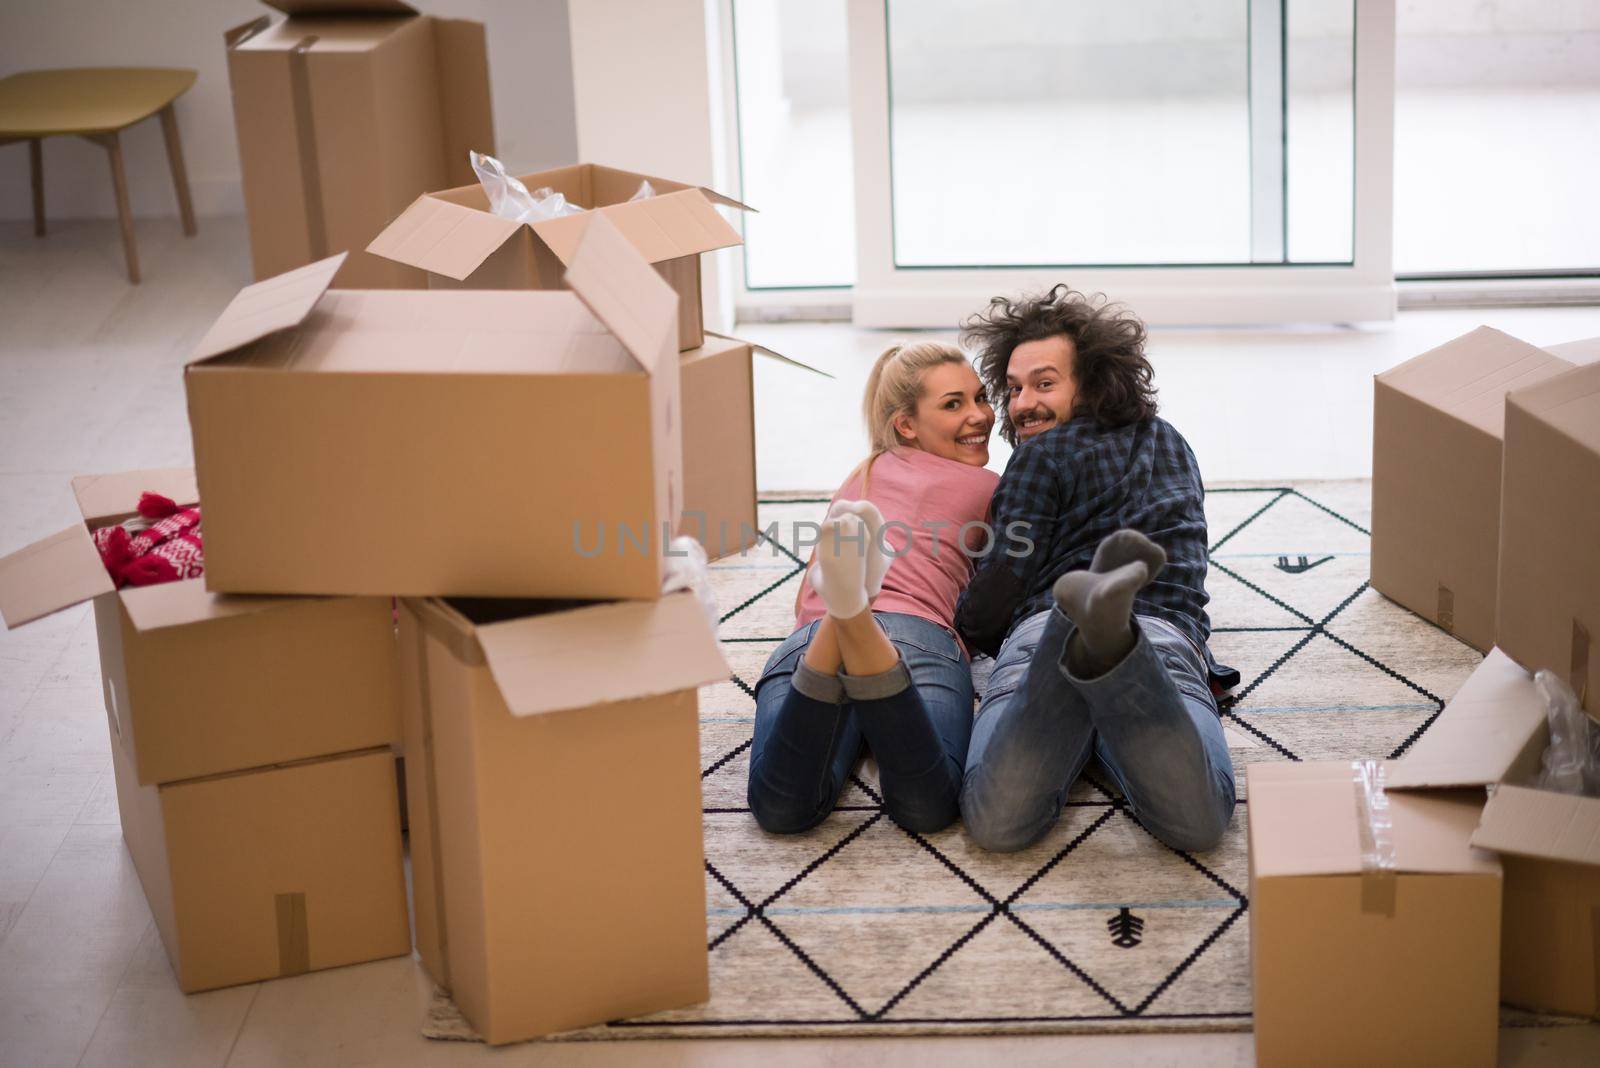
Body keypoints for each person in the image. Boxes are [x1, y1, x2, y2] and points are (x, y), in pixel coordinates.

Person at [954, 285, 1237, 853]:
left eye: (1044, 384)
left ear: (1093, 381)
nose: (1021, 404)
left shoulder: (1039, 457)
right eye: (1012, 388)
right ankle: (1111, 641)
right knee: (1201, 823)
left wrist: (964, 626)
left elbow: (1002, 586)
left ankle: (1075, 622)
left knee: (997, 823)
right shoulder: (1173, 443)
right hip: (1162, 635)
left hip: (1041, 638)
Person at [748, 341, 999, 835]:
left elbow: (803, 599)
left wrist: (832, 610)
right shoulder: (989, 487)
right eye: (954, 404)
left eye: (981, 396)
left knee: (782, 810)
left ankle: (849, 615)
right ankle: (857, 622)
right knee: (928, 808)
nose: (980, 415)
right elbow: (997, 597)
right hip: (918, 632)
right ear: (906, 423)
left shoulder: (858, 478)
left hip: (811, 636)